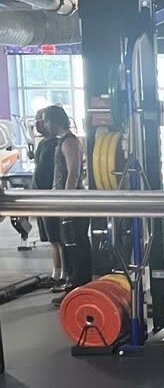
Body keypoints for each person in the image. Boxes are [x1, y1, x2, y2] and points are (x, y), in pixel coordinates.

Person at [42, 104, 92, 299]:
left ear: (53, 121)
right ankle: (73, 288)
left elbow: (73, 173)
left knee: (77, 245)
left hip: (73, 203)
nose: (44, 125)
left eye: (46, 121)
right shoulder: (62, 141)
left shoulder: (70, 142)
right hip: (65, 203)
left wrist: (67, 200)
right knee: (70, 245)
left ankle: (79, 288)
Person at [32, 107, 65, 287]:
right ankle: (56, 273)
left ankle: (64, 274)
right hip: (41, 197)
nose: (40, 124)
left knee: (58, 238)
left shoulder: (57, 145)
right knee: (52, 239)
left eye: (42, 120)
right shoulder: (43, 144)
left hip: (51, 197)